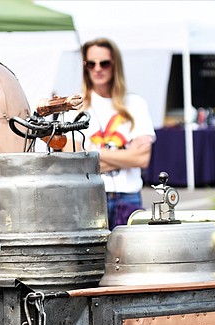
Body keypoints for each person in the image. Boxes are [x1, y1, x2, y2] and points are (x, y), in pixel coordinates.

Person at [75, 37, 155, 227]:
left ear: (115, 65)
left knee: (129, 256)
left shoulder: (135, 104)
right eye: (90, 64)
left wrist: (93, 154)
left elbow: (141, 159)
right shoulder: (77, 106)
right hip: (89, 197)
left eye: (104, 63)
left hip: (128, 197)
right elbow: (76, 162)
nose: (97, 69)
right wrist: (125, 156)